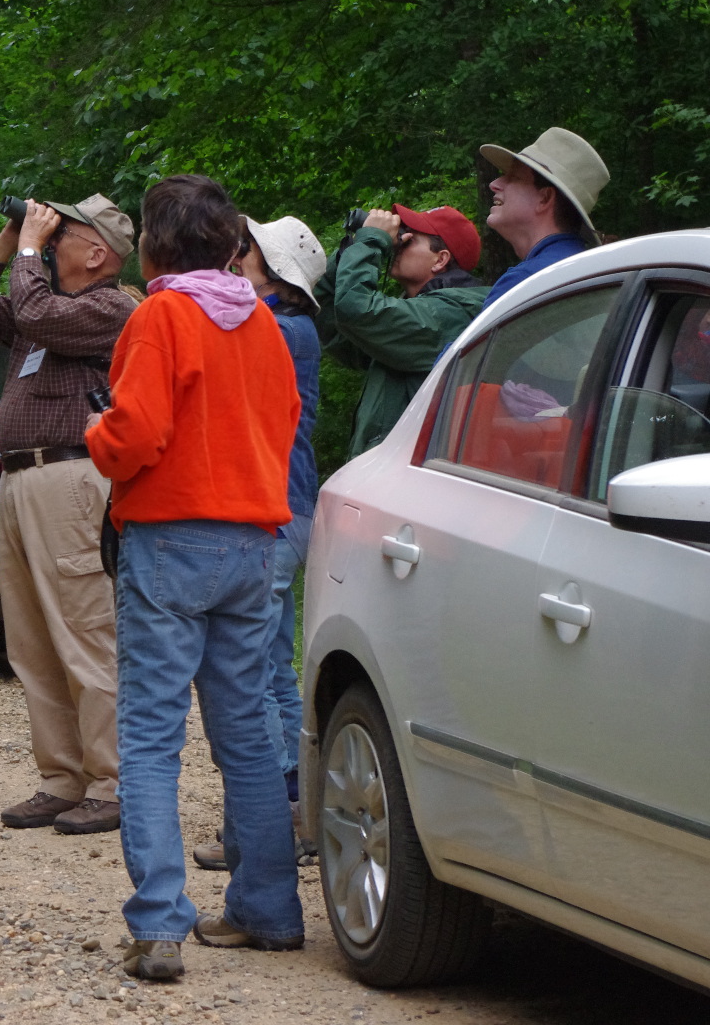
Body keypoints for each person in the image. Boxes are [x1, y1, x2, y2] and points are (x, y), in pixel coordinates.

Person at [85, 174, 303, 981]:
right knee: (247, 735)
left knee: (149, 735)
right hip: (254, 542)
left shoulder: (161, 314)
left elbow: (136, 429)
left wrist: (96, 437)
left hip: (171, 537)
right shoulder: (265, 323)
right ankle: (270, 910)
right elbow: (284, 425)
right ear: (229, 243)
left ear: (154, 244)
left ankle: (160, 924)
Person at [0, 194, 138, 836]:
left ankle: (113, 782)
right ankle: (63, 778)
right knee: (31, 641)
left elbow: (35, 309)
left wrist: (30, 249)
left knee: (85, 632)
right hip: (22, 479)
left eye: (64, 233)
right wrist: (9, 237)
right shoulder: (40, 311)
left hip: (73, 475)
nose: (50, 240)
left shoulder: (111, 306)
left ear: (97, 253)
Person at [193, 216, 324, 871]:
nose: (232, 259)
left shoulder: (278, 327)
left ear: (269, 266)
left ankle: (268, 823)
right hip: (289, 509)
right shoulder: (289, 326)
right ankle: (293, 813)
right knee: (273, 663)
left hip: (274, 511)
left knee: (251, 672)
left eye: (242, 250)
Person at [314, 203, 487, 456]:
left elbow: (355, 308)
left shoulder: (450, 315)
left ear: (440, 260)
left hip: (407, 477)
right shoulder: (416, 311)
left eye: (408, 240)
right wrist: (348, 253)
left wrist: (372, 241)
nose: (397, 243)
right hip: (391, 472)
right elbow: (334, 324)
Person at [480, 127, 610, 311]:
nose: (494, 184)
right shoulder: (591, 271)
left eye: (514, 177)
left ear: (545, 198)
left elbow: (476, 342)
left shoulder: (527, 281)